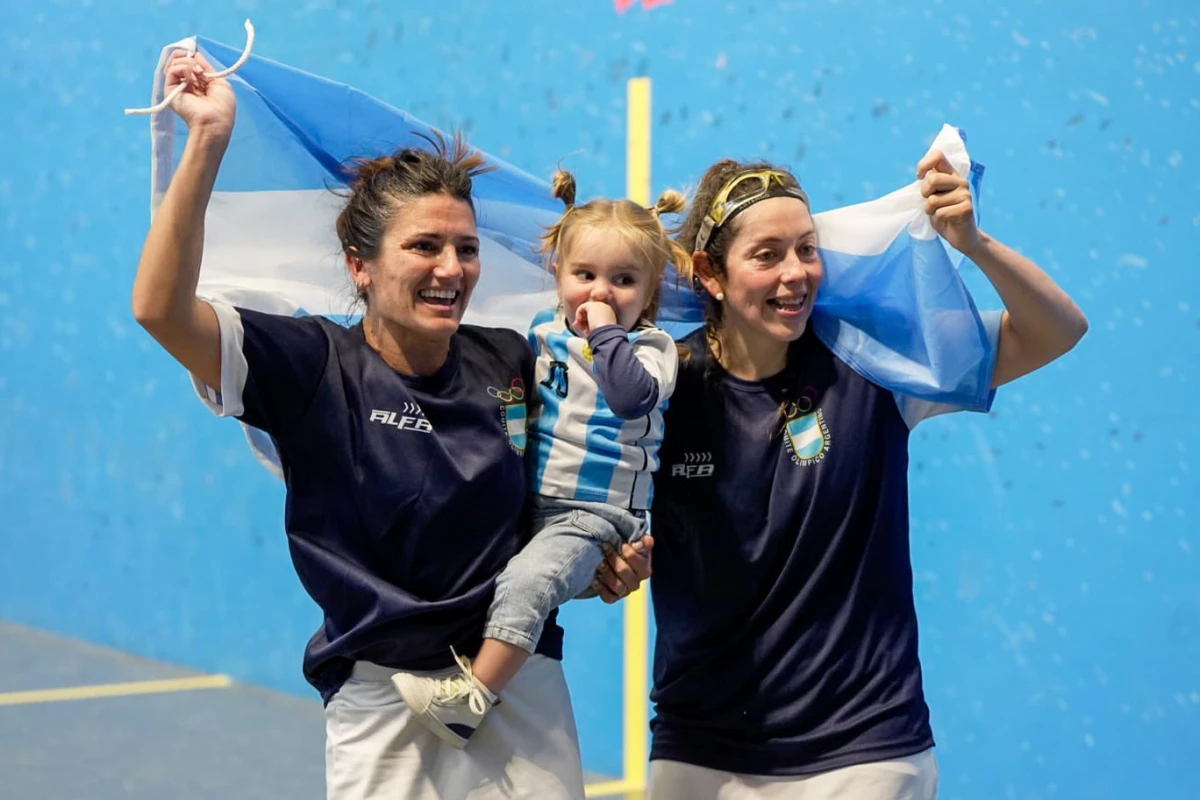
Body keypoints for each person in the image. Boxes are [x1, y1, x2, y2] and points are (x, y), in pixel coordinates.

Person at [130, 50, 650, 800]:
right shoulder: (310, 364)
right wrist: (207, 140)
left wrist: (606, 560)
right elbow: (160, 310)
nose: (452, 267)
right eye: (424, 246)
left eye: (466, 248)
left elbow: (571, 481)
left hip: (519, 685)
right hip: (382, 698)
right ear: (361, 265)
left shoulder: (512, 360)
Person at [645, 157, 1088, 798]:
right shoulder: (660, 388)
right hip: (699, 754)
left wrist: (974, 244)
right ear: (710, 273)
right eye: (767, 255)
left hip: (866, 754)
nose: (796, 274)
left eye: (806, 250)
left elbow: (1057, 330)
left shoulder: (874, 361)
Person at [393, 171, 691, 747]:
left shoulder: (650, 350)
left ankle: (471, 698)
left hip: (596, 514)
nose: (601, 292)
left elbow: (630, 397)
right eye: (585, 276)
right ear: (557, 276)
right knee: (488, 568)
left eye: (624, 281)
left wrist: (606, 332)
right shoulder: (543, 332)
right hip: (533, 499)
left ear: (649, 292)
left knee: (528, 582)